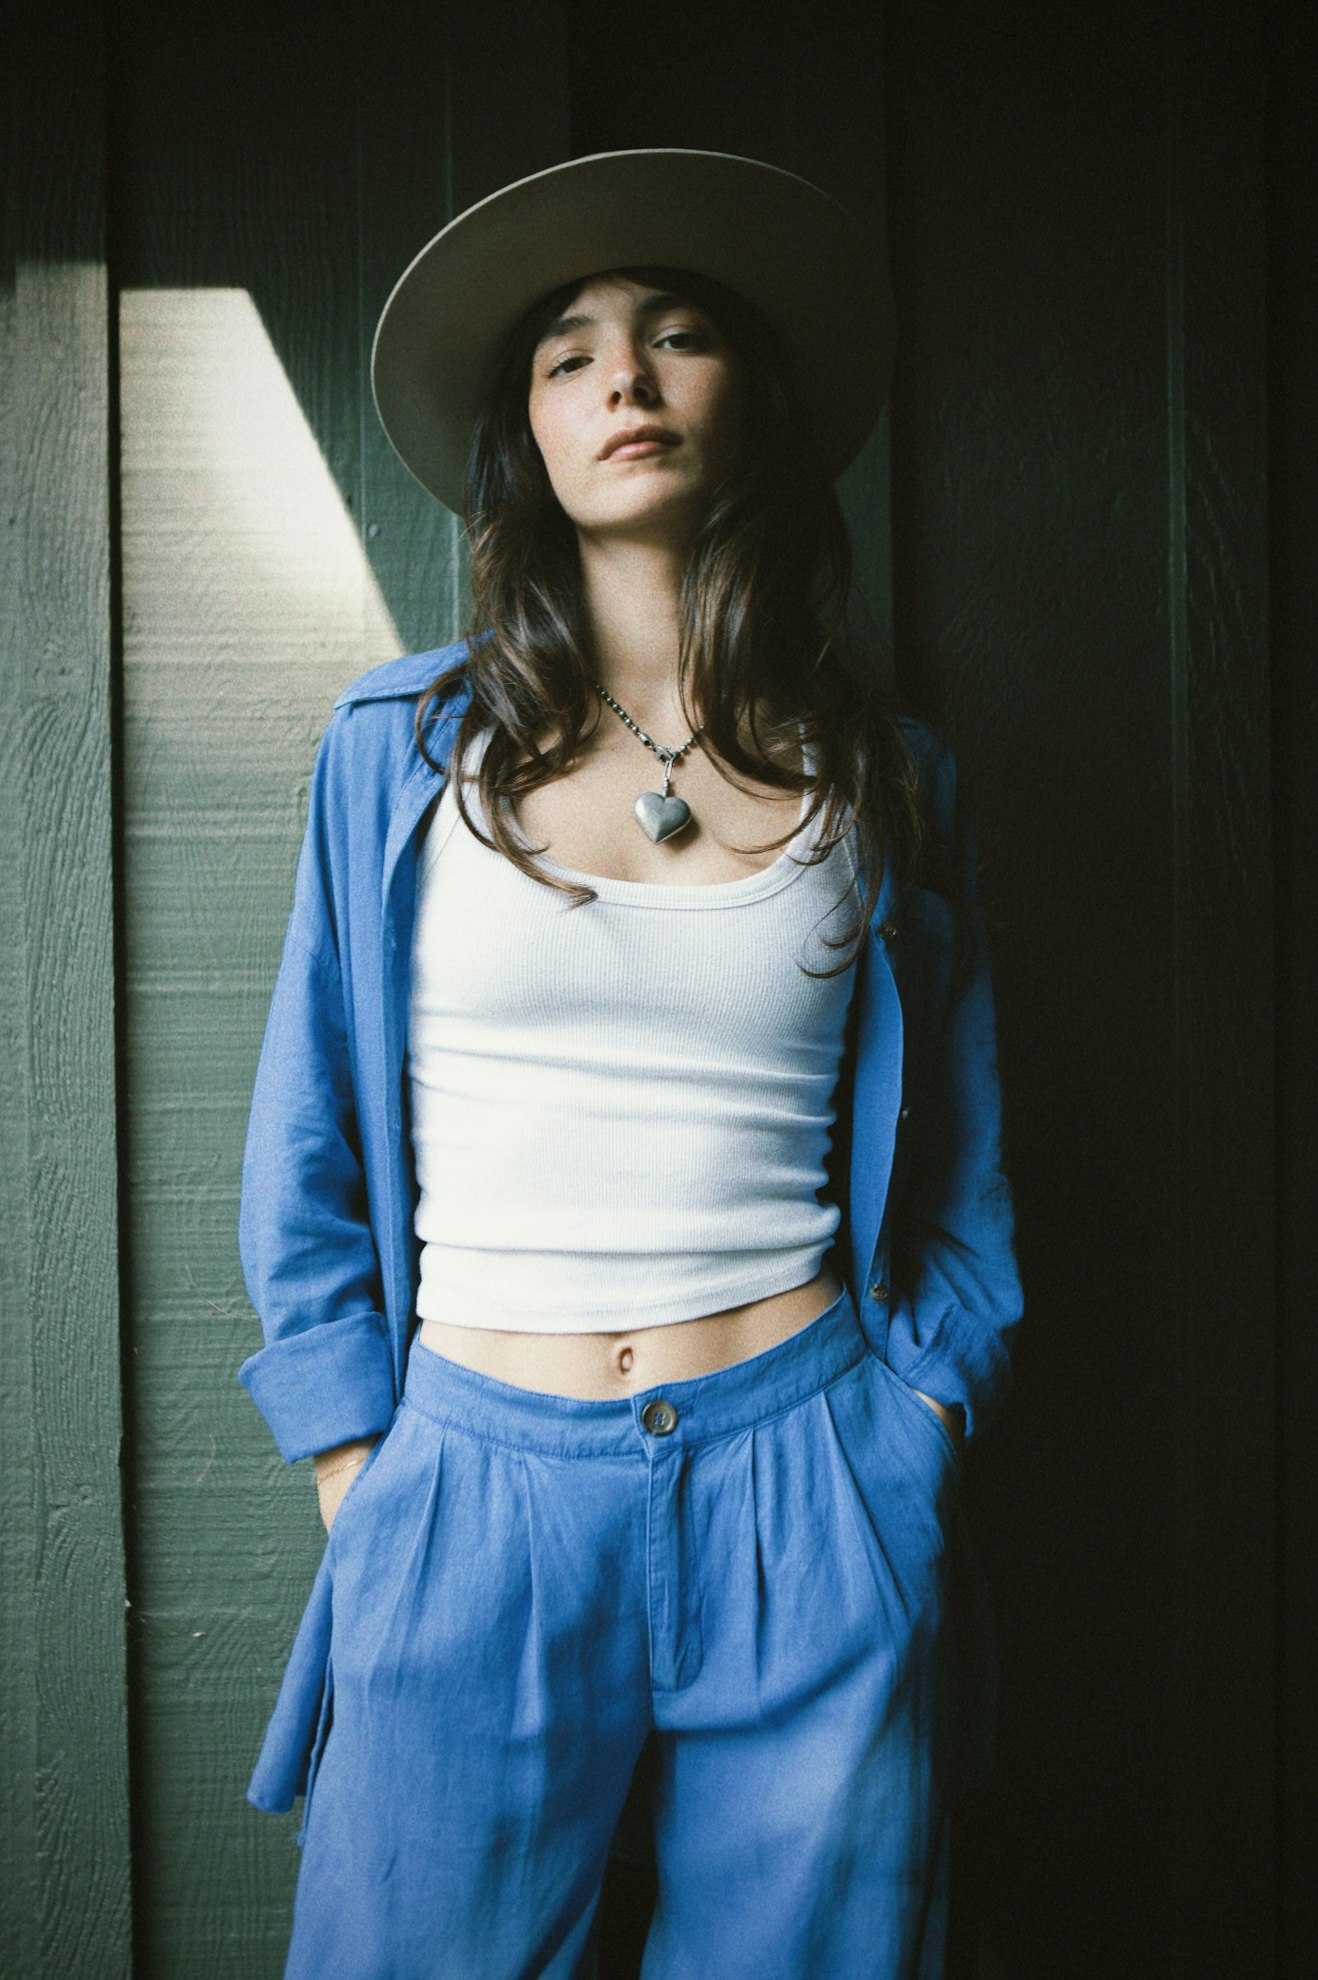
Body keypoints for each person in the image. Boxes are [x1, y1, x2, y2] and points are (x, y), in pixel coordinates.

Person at [235, 149, 1025, 1979]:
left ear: (752, 402)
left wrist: (911, 1431)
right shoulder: (395, 755)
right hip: (471, 1483)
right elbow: (305, 1144)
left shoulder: (886, 781)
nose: (625, 381)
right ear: (524, 433)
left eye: (676, 337)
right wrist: (360, 1467)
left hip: (811, 1482)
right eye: (568, 354)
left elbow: (966, 1164)